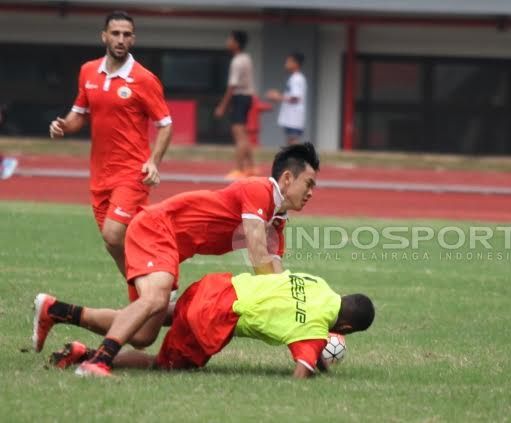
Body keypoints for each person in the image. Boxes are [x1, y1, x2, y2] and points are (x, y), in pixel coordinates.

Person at [32, 143, 320, 377]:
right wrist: (295, 311)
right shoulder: (259, 191)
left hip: (165, 245)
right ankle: (98, 363)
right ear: (286, 179)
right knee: (155, 300)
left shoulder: (278, 220)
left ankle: (56, 311)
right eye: (308, 183)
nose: (310, 193)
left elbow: (277, 281)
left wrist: (301, 319)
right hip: (156, 228)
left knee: (144, 334)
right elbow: (259, 258)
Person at [46, 271, 375, 379]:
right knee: (164, 366)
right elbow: (302, 370)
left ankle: (61, 310)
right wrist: (319, 366)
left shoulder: (316, 282)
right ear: (343, 330)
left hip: (215, 285)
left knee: (156, 313)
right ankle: (87, 354)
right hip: (216, 317)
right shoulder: (316, 332)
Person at [48, 11, 172, 277]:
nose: (120, 39)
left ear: (133, 39)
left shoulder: (144, 79)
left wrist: (153, 161)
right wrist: (63, 125)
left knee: (114, 234)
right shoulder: (88, 71)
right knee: (113, 243)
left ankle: (156, 281)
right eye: (115, 33)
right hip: (100, 174)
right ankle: (144, 288)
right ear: (104, 36)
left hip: (132, 172)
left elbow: (165, 123)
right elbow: (79, 114)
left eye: (126, 35)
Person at [214, 30, 257, 179]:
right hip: (246, 97)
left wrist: (222, 106)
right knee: (243, 134)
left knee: (239, 135)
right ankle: (251, 167)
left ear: (236, 43)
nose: (228, 42)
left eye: (230, 39)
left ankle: (239, 169)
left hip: (240, 97)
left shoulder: (237, 61)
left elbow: (232, 86)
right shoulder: (247, 58)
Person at [266, 52, 307, 145]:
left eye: (289, 61)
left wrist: (277, 96)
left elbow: (295, 98)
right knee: (290, 141)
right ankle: (292, 159)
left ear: (296, 63)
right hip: (290, 116)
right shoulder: (294, 78)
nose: (286, 64)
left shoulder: (297, 78)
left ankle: (298, 159)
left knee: (293, 141)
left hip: (294, 116)